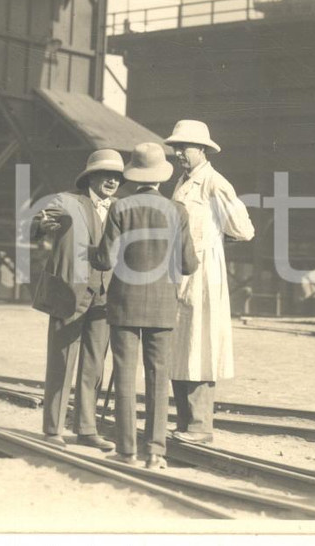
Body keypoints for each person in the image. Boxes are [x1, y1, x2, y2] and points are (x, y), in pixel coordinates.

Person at [92, 142, 199, 469]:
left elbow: (105, 259)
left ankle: (126, 451)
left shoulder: (119, 208)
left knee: (123, 374)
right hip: (163, 306)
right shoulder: (177, 210)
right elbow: (188, 265)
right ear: (161, 177)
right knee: (158, 376)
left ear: (134, 175)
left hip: (124, 303)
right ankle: (154, 452)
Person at [165, 120, 255, 444]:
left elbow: (244, 230)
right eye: (175, 148)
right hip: (178, 272)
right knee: (179, 345)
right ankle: (184, 422)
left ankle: (201, 426)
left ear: (202, 150)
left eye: (184, 148)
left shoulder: (215, 184)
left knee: (200, 345)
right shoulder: (182, 183)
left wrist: (216, 240)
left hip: (204, 274)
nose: (178, 154)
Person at [32, 148, 124, 452]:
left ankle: (87, 429)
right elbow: (39, 221)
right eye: (106, 175)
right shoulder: (67, 201)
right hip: (69, 293)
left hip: (105, 297)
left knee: (94, 366)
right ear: (91, 177)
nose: (112, 181)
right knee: (61, 362)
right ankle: (52, 429)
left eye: (117, 177)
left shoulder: (121, 208)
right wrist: (42, 226)